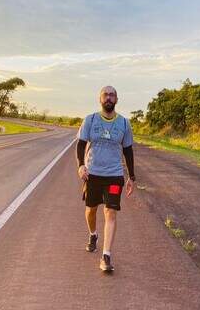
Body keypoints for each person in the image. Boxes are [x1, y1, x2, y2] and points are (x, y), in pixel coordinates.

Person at [76, 85, 136, 272]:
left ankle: (106, 256)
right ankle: (93, 234)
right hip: (93, 174)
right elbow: (81, 144)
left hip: (114, 176)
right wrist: (81, 165)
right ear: (100, 99)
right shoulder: (90, 120)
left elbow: (128, 150)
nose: (109, 98)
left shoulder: (124, 123)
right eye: (105, 95)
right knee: (91, 210)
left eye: (112, 95)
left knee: (110, 213)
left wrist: (131, 177)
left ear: (117, 99)